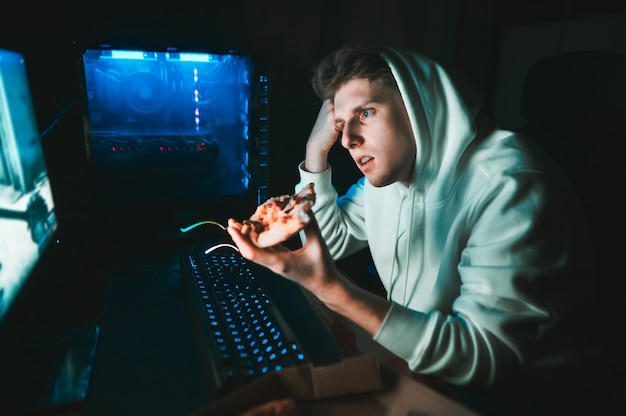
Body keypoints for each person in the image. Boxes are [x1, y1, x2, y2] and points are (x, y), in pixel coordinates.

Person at [227, 43, 606, 414]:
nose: (347, 140)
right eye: (341, 125)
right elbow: (332, 243)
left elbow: (485, 362)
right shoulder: (394, 175)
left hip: (521, 396)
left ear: (419, 101)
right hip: (428, 361)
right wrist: (315, 153)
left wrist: (331, 290)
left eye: (367, 112)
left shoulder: (511, 184)